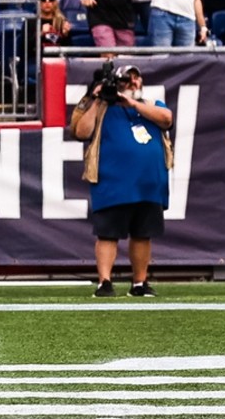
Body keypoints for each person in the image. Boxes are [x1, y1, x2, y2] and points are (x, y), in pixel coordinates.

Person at [71, 64, 173, 299]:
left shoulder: (151, 104)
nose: (133, 83)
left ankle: (140, 282)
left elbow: (167, 119)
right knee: (107, 234)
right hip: (112, 182)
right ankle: (104, 282)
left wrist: (133, 103)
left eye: (137, 78)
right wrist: (98, 99)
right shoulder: (102, 107)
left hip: (148, 183)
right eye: (128, 79)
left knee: (143, 234)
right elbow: (82, 132)